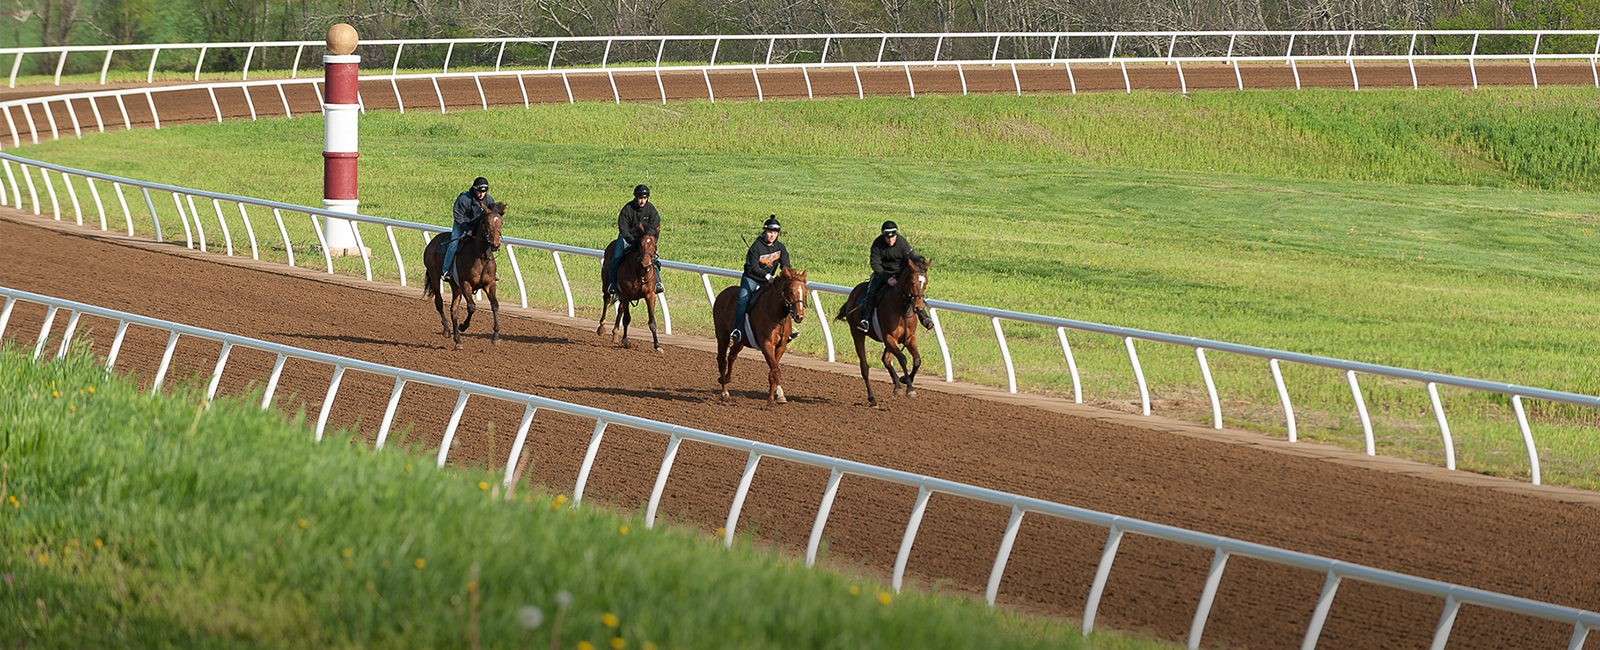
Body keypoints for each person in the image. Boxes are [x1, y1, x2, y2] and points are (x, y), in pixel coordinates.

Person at [729, 216, 793, 345]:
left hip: (768, 281)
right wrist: (766, 276)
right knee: (743, 299)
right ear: (765, 232)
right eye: (770, 232)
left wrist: (788, 277)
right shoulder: (756, 247)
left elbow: (786, 266)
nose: (772, 235)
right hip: (752, 279)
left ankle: (787, 331)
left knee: (784, 300)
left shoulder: (781, 248)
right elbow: (752, 267)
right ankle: (737, 330)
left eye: (775, 233)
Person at [856, 220, 915, 333]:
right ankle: (866, 320)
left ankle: (924, 317)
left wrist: (901, 277)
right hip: (882, 274)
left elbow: (911, 259)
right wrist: (887, 278)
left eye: (893, 237)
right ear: (883, 236)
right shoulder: (877, 244)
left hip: (899, 274)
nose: (890, 240)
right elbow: (875, 264)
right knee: (871, 291)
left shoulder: (902, 243)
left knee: (914, 289)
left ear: (896, 235)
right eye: (887, 238)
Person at [608, 184, 663, 295]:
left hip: (644, 240)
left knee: (655, 258)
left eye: (644, 198)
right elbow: (623, 228)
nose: (642, 201)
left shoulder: (651, 210)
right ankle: (612, 284)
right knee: (616, 257)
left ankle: (658, 284)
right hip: (627, 238)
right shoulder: (627, 209)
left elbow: (655, 226)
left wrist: (645, 239)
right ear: (635, 197)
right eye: (640, 198)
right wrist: (632, 241)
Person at [443, 177, 495, 281]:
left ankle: (492, 272)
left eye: (484, 192)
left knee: (487, 244)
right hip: (462, 224)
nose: (481, 194)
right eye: (479, 191)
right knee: (454, 244)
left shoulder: (489, 200)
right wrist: (467, 229)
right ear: (474, 189)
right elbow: (458, 215)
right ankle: (447, 270)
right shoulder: (464, 198)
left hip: (477, 226)